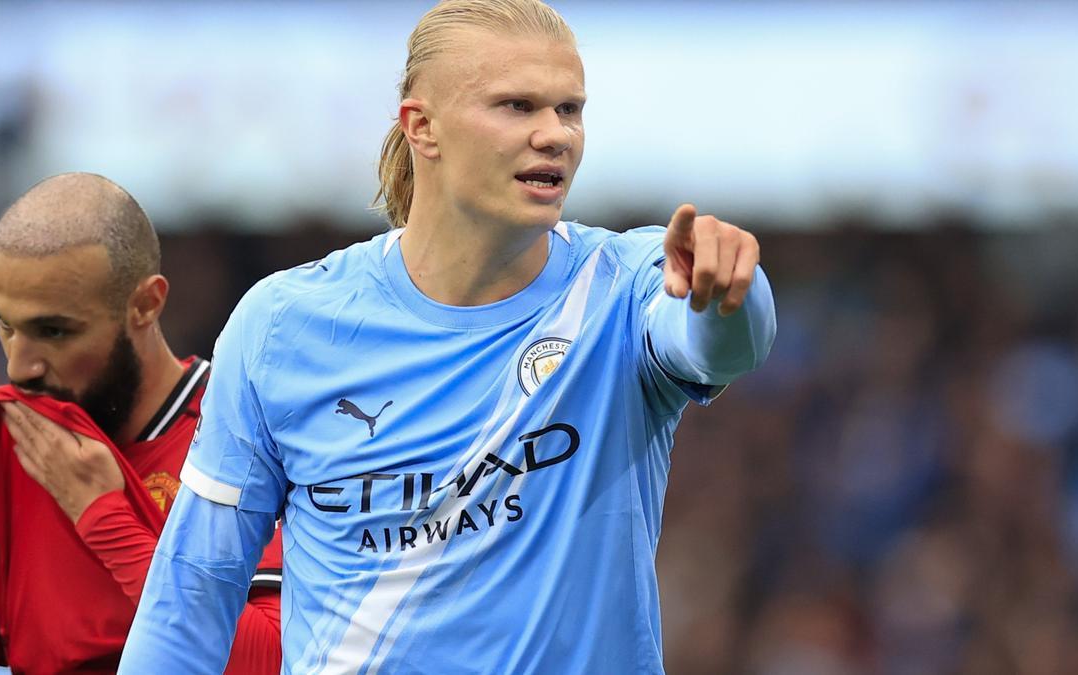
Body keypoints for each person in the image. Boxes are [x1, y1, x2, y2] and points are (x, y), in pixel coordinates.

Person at [121, 0, 776, 672]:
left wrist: (727, 292)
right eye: (517, 106)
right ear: (422, 127)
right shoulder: (282, 324)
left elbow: (721, 345)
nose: (556, 134)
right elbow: (189, 598)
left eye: (570, 109)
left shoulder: (623, 286)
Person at [0, 173, 283, 674]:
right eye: (6, 325)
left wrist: (106, 519)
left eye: (54, 331)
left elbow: (273, 662)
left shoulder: (249, 436)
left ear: (146, 304)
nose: (19, 366)